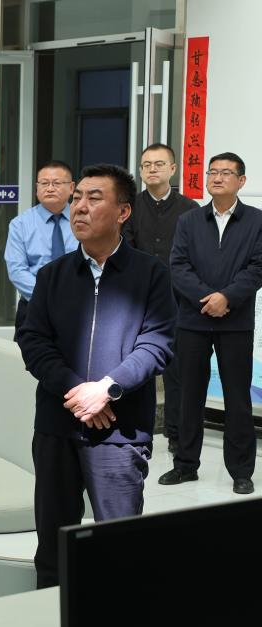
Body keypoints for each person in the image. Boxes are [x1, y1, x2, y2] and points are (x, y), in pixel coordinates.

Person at [17, 164, 175, 588]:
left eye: (94, 198)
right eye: (77, 198)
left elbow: (157, 344)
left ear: (123, 212)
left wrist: (107, 389)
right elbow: (33, 341)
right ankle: (52, 622)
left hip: (119, 433)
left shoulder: (150, 274)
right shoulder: (52, 276)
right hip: (57, 427)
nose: (80, 207)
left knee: (118, 545)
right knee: (53, 546)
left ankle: (116, 626)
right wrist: (78, 391)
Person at [160, 152, 262, 494]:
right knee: (189, 394)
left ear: (241, 181)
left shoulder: (257, 221)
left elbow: (258, 267)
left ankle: (241, 471)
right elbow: (178, 266)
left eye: (225, 173)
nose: (217, 178)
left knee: (237, 397)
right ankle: (185, 465)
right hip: (193, 319)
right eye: (212, 172)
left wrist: (227, 298)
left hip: (236, 322)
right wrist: (208, 298)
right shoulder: (189, 220)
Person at [123, 143, 199, 454]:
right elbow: (124, 250)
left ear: (173, 169)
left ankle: (176, 434)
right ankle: (133, 429)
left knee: (176, 372)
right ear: (140, 171)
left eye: (159, 164)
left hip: (178, 303)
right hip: (136, 302)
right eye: (146, 165)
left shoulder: (190, 209)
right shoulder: (128, 207)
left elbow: (196, 256)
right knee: (134, 367)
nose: (152, 169)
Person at [4, 160, 78, 337]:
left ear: (71, 187)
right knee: (31, 354)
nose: (50, 188)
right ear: (37, 188)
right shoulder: (20, 224)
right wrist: (48, 298)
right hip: (34, 307)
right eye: (44, 183)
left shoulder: (84, 220)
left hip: (78, 306)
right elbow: (17, 270)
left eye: (57, 183)